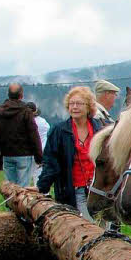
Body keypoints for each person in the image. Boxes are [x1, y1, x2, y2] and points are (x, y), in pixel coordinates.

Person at [36, 86, 102, 218]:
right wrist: (41, 186)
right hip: (72, 190)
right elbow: (51, 162)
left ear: (88, 107)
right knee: (86, 227)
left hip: (98, 190)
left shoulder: (99, 129)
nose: (74, 107)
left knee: (101, 228)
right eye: (71, 103)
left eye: (79, 103)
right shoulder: (59, 131)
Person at [0, 83, 43, 186]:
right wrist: (39, 157)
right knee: (22, 190)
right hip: (24, 154)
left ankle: (9, 202)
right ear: (21, 95)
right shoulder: (26, 112)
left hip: (6, 154)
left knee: (10, 188)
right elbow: (34, 135)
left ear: (8, 94)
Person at [29, 103, 49, 186]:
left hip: (30, 150)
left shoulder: (27, 122)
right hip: (43, 149)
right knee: (39, 173)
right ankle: (42, 193)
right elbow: (48, 128)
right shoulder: (43, 121)